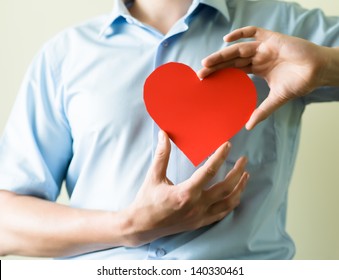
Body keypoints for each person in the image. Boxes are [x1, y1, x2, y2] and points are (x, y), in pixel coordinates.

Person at [0, 0, 338, 260]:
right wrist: (129, 227)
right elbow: (6, 224)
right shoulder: (64, 55)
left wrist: (326, 65)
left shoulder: (287, 28)